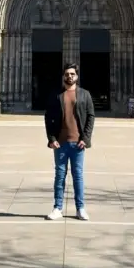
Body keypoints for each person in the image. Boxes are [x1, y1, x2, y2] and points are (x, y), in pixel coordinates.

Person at [44, 62, 95, 221]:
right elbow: (48, 117)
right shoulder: (56, 95)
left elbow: (91, 117)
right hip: (60, 143)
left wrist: (85, 139)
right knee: (59, 176)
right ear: (63, 76)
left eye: (72, 74)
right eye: (67, 74)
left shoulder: (85, 95)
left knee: (78, 176)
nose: (69, 76)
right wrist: (51, 139)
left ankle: (80, 208)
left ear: (77, 76)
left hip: (77, 143)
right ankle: (57, 208)